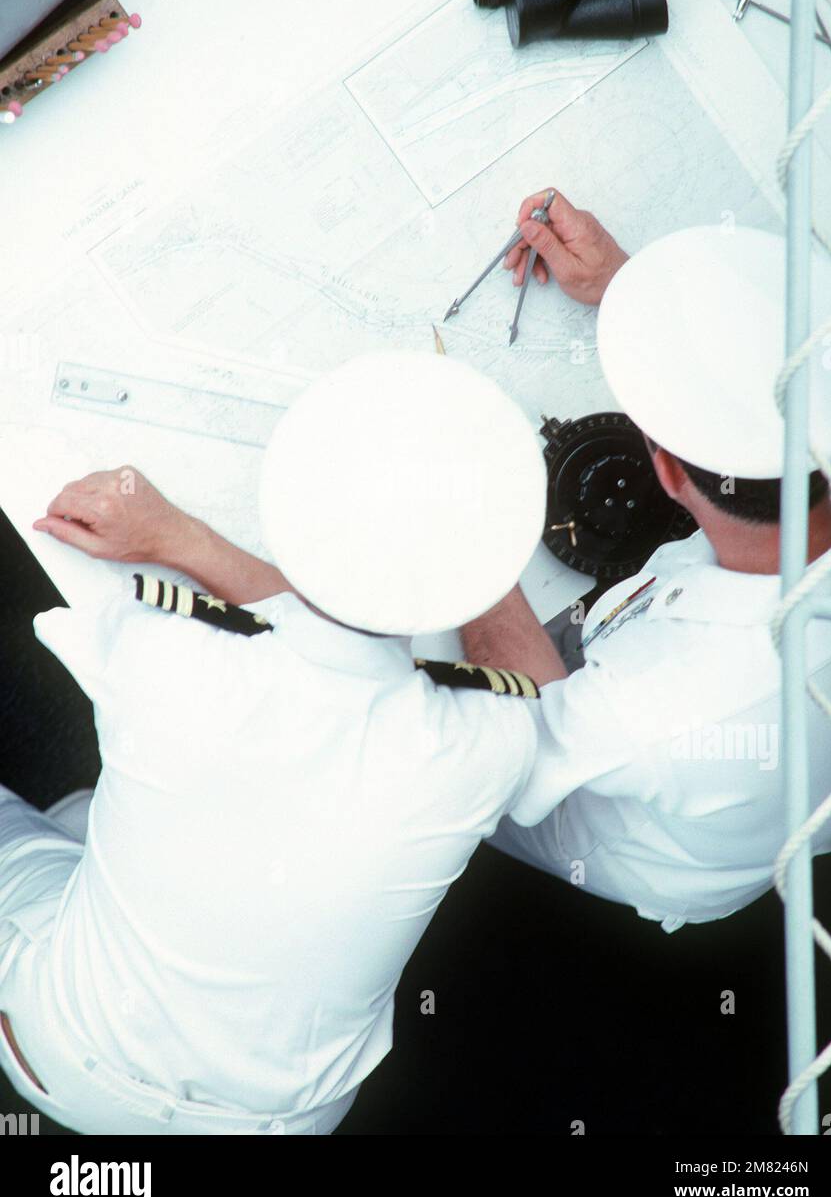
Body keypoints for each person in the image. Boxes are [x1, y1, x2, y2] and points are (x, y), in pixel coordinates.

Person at [0, 351, 560, 1135]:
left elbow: (274, 630)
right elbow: (540, 689)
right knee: (110, 818)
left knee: (100, 817)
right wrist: (459, 537)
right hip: (289, 1122)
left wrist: (178, 537)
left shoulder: (167, 650)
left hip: (69, 1052)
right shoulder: (487, 746)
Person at [463, 190, 831, 932]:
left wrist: (464, 538)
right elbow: (779, 383)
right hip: (776, 814)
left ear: (666, 476)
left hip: (624, 840)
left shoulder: (670, 702)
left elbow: (518, 743)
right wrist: (632, 297)